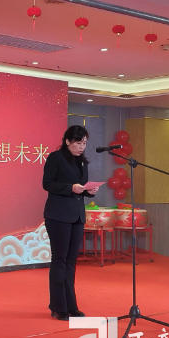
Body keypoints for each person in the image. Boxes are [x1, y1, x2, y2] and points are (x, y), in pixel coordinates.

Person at [42, 125, 100, 321]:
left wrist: (88, 191)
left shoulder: (82, 162)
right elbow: (47, 183)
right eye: (78, 142)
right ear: (67, 141)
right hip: (58, 215)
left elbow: (80, 188)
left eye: (84, 143)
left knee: (71, 261)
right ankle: (58, 307)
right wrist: (70, 188)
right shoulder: (56, 158)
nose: (81, 146)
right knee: (60, 260)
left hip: (76, 216)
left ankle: (71, 306)